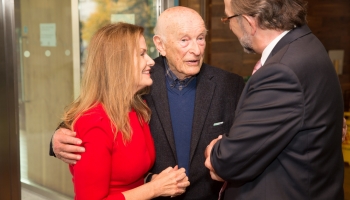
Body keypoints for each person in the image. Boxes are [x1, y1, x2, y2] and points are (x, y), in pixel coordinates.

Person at [50, 6, 245, 200]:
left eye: (200, 38)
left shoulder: (229, 85)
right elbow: (91, 115)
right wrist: (57, 139)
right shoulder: (140, 82)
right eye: (184, 40)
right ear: (160, 45)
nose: (195, 50)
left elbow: (246, 141)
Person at [204, 0, 345, 199]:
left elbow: (228, 161)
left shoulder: (281, 71)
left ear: (249, 22)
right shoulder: (307, 44)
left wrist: (216, 150)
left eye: (228, 18)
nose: (229, 26)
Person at [60, 22, 190, 200]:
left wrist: (153, 180)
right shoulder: (94, 122)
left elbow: (128, 179)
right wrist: (155, 188)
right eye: (142, 54)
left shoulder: (137, 109)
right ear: (118, 62)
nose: (151, 61)